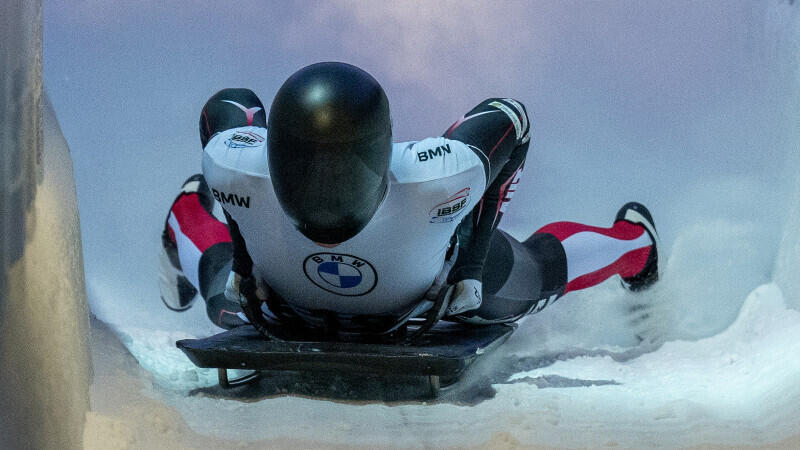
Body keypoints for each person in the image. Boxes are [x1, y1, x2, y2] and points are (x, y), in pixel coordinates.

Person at [159, 62, 659, 337]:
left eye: (341, 169)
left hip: (313, 288)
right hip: (393, 287)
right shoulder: (436, 177)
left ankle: (637, 241)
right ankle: (636, 244)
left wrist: (470, 262)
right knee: (533, 273)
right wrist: (246, 260)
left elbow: (225, 105)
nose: (326, 191)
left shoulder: (233, 165)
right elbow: (511, 119)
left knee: (537, 271)